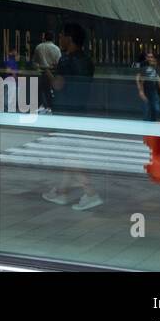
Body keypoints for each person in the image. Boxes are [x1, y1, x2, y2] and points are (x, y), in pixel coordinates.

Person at [41, 22, 102, 211]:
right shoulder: (88, 60)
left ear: (69, 38)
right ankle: (62, 191)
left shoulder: (66, 60)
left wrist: (47, 72)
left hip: (65, 111)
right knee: (70, 151)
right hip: (80, 110)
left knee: (70, 154)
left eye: (62, 35)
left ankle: (91, 192)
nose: (59, 38)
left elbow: (58, 85)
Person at [136, 50, 160, 121]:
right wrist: (141, 91)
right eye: (148, 57)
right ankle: (146, 125)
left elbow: (159, 80)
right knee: (146, 109)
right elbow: (139, 78)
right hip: (145, 89)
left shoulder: (156, 67)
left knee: (157, 109)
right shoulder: (143, 65)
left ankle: (153, 122)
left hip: (153, 89)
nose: (150, 58)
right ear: (146, 58)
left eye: (151, 57)